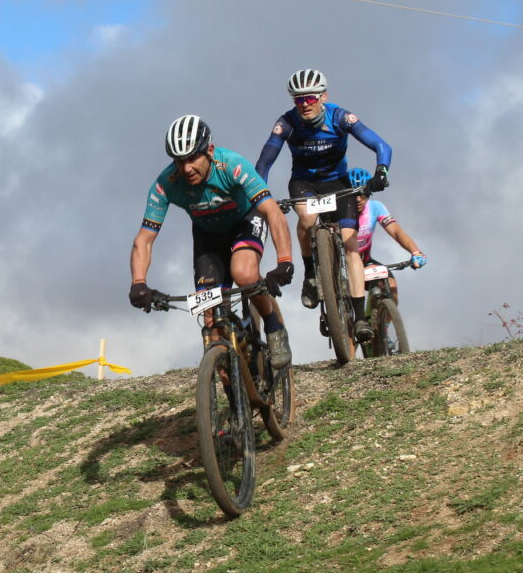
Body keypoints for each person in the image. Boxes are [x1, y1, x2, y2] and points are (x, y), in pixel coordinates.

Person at [129, 114, 296, 368]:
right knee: (211, 323)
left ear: (209, 150)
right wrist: (139, 283)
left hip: (244, 222)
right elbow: (145, 239)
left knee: (244, 274)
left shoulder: (232, 165)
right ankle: (229, 388)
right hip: (208, 235)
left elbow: (272, 212)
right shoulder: (165, 184)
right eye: (179, 161)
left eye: (193, 158)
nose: (186, 169)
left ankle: (274, 326)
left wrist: (284, 261)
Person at [255, 69, 392, 344]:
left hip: (338, 184)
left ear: (323, 96)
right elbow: (264, 163)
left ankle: (359, 316)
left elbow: (381, 145)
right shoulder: (287, 123)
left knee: (350, 244)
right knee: (306, 218)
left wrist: (382, 172)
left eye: (310, 98)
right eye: (298, 99)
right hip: (304, 184)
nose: (304, 104)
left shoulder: (340, 117)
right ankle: (310, 275)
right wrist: (260, 192)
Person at [348, 167, 427, 305]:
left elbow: (396, 231)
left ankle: (380, 324)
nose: (358, 199)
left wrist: (415, 251)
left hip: (365, 262)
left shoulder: (375, 207)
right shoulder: (339, 211)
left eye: (363, 193)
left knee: (391, 286)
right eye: (353, 194)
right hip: (342, 265)